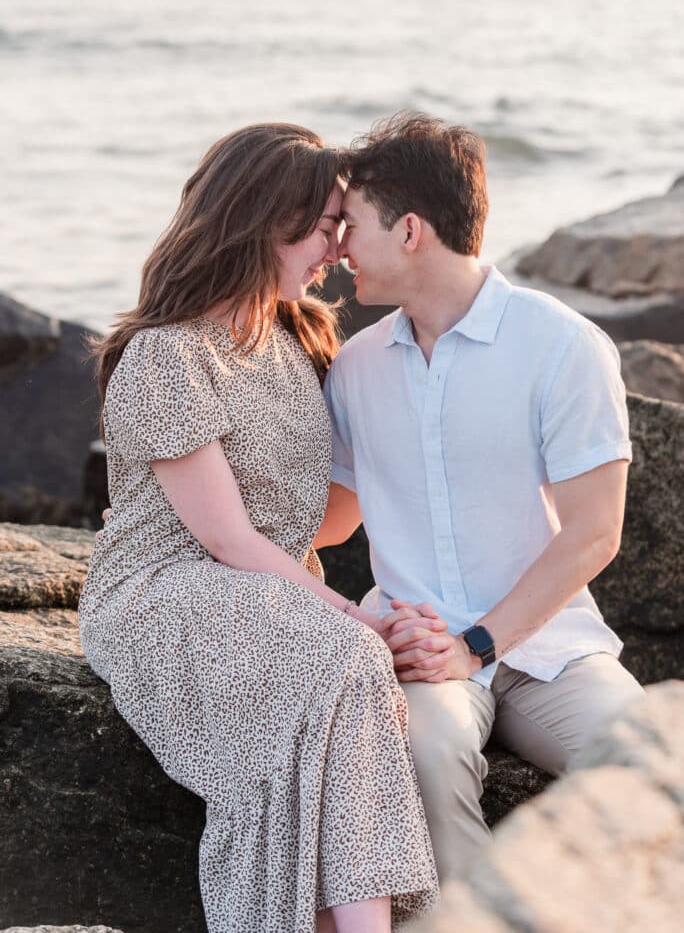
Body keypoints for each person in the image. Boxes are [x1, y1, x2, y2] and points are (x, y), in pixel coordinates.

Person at [78, 122, 439, 933]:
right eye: (325, 227)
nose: (339, 249)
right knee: (349, 656)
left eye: (344, 226)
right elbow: (228, 540)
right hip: (163, 594)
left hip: (271, 595)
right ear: (261, 222)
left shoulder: (299, 338)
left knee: (348, 675)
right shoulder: (167, 356)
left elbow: (326, 520)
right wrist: (362, 619)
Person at [320, 112, 645, 882]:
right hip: (420, 650)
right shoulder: (357, 367)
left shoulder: (561, 344)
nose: (337, 251)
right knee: (422, 756)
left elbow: (596, 534)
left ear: (409, 232)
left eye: (351, 226)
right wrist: (193, 522)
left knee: (648, 764)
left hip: (552, 649)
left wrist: (477, 645)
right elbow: (332, 520)